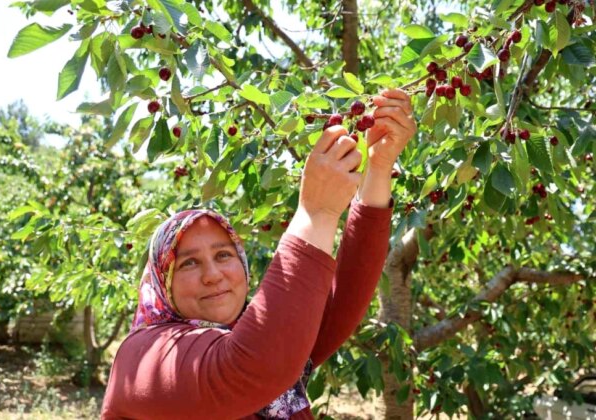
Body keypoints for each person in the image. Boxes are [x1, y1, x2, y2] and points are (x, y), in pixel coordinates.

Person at [102, 89, 416, 419]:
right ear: (161, 286)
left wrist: (378, 168)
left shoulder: (260, 332)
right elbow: (247, 369)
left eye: (223, 255)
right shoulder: (142, 357)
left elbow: (344, 295)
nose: (213, 274)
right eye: (189, 263)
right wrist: (316, 212)